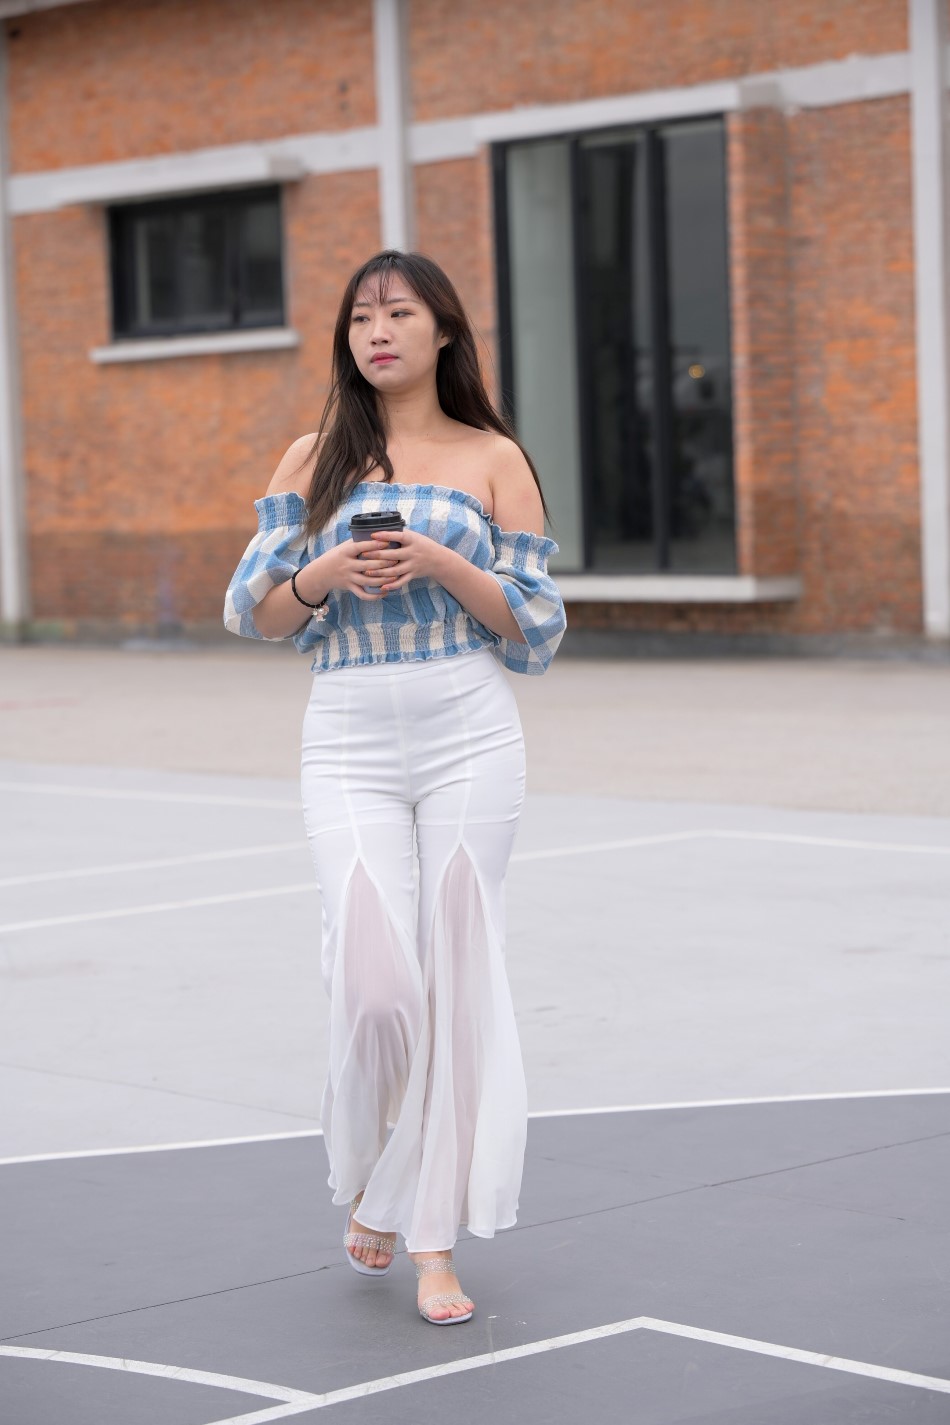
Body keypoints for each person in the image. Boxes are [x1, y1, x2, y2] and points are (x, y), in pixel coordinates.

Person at [224, 249, 566, 1326]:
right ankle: (379, 1172)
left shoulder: (493, 456)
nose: (377, 332)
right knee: (376, 987)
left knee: (458, 981)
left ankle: (431, 1241)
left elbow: (536, 629)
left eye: (400, 313)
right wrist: (322, 574)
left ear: (443, 331)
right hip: (347, 734)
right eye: (361, 317)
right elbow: (253, 611)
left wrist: (445, 564)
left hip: (468, 728)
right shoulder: (312, 456)